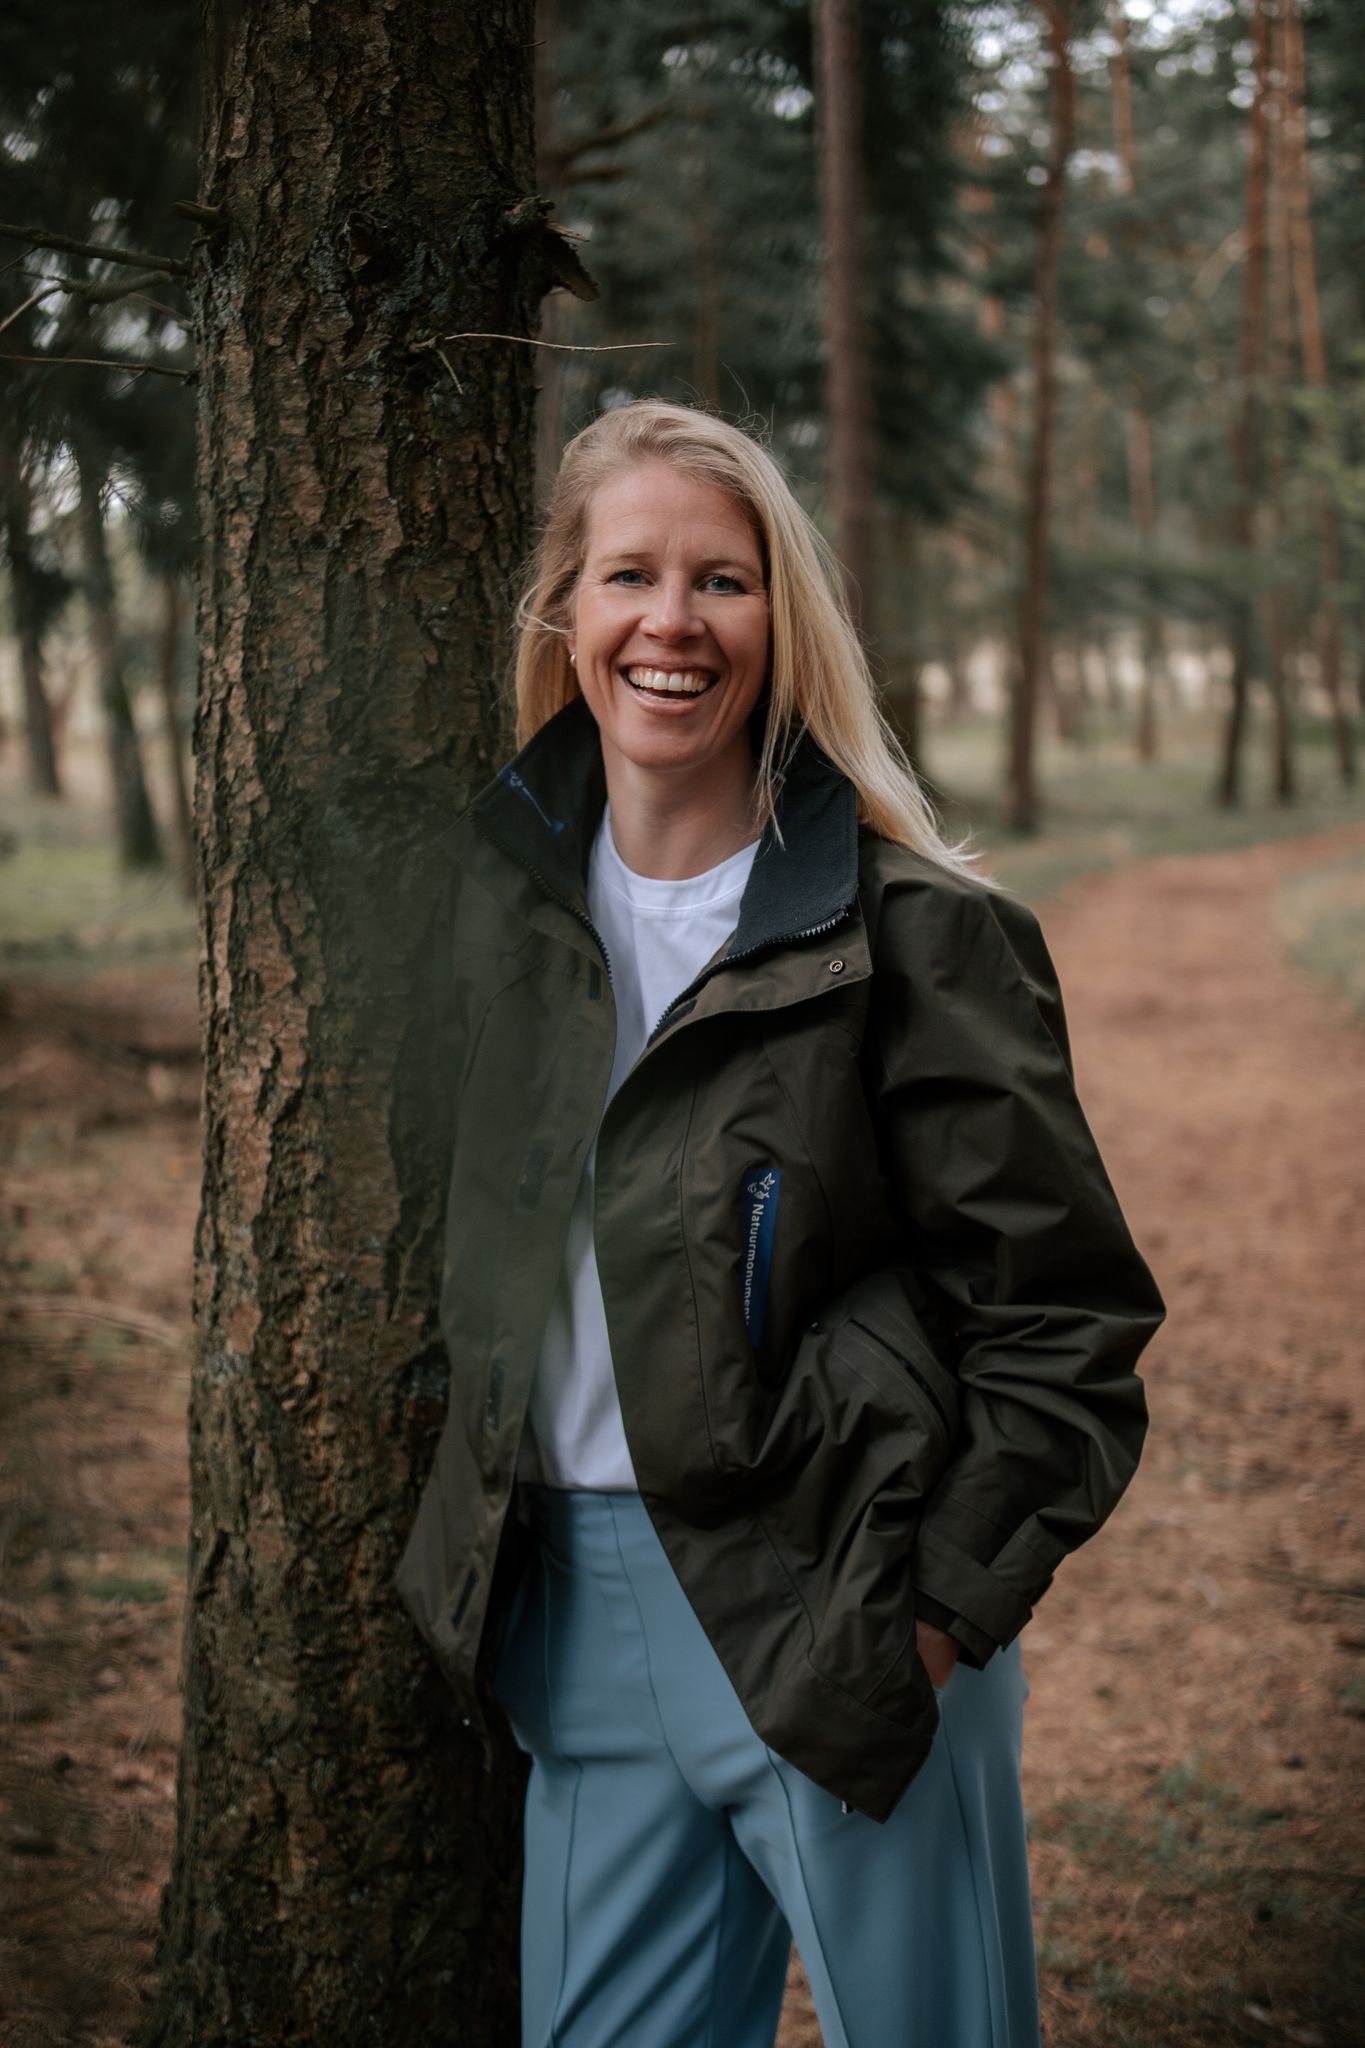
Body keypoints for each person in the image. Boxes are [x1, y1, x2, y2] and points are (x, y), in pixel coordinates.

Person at [395, 399, 1165, 2048]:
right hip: (576, 1620)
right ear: (565, 612)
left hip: (845, 1611)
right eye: (628, 576)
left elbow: (1064, 1321)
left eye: (721, 582)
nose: (669, 623)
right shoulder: (495, 915)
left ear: (781, 621)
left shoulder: (919, 935)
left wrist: (932, 1619)